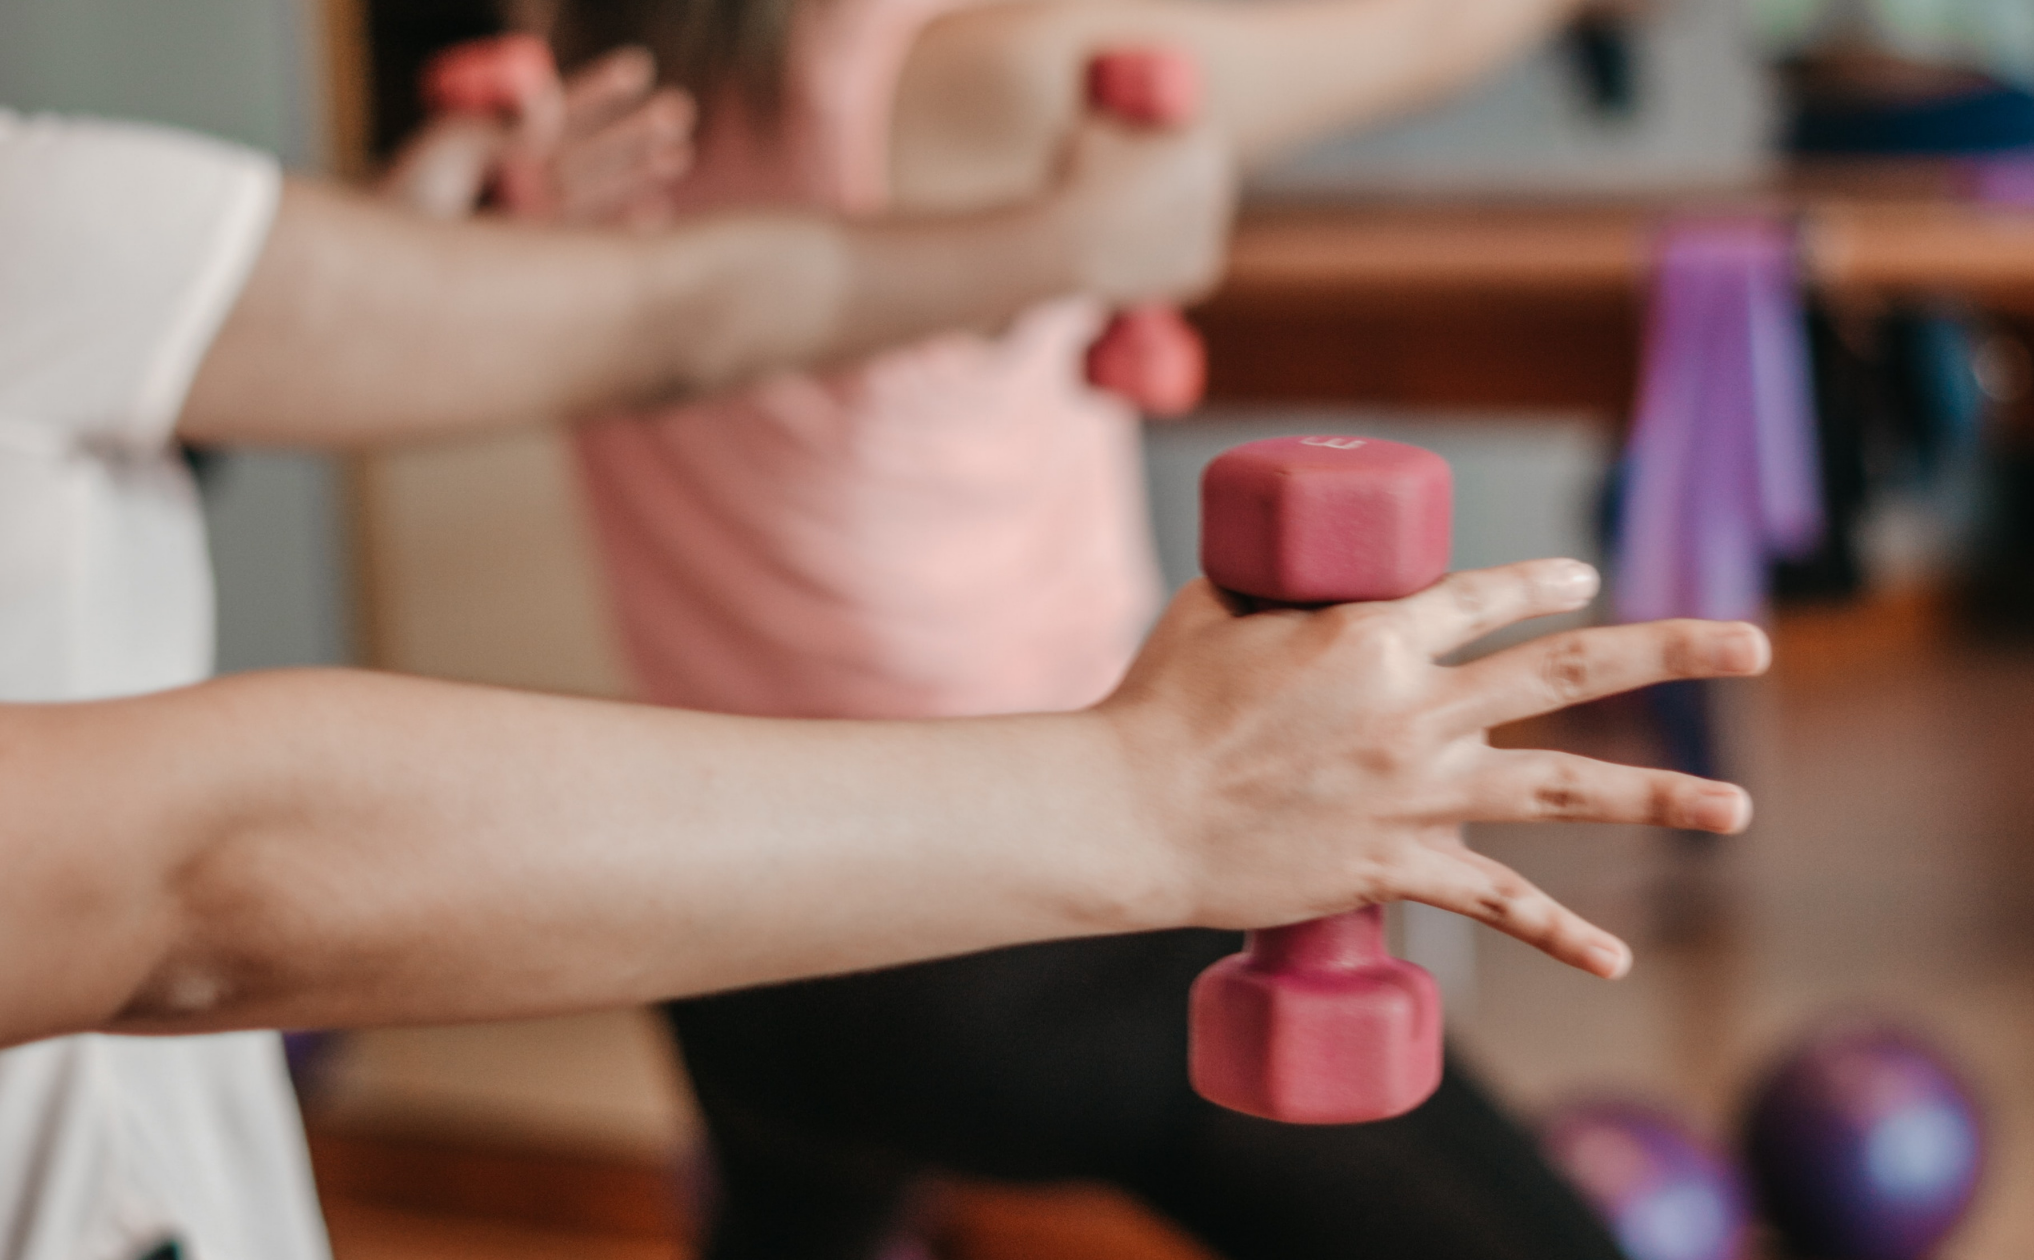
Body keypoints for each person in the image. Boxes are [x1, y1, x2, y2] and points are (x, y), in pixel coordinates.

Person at [0, 97, 1766, 1260]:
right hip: (969, 930)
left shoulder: (624, 96)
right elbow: (177, 872)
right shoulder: (966, 76)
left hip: (744, 939)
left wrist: (383, 260)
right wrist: (1160, 792)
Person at [398, 3, 1696, 1255]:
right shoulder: (977, 71)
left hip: (723, 932)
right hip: (1005, 928)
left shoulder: (581, 70)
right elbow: (1418, 31)